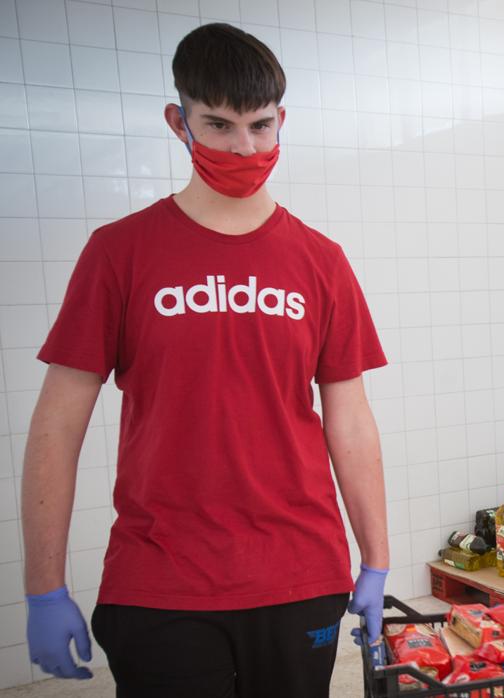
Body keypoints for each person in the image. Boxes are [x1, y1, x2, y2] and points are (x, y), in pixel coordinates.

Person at [21, 24, 390, 697]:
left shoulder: (321, 262)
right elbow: (56, 426)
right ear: (178, 121)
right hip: (160, 582)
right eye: (218, 125)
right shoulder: (119, 254)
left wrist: (377, 560)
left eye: (261, 125)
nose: (245, 147)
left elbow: (350, 419)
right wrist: (43, 586)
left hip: (298, 575)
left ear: (282, 121)